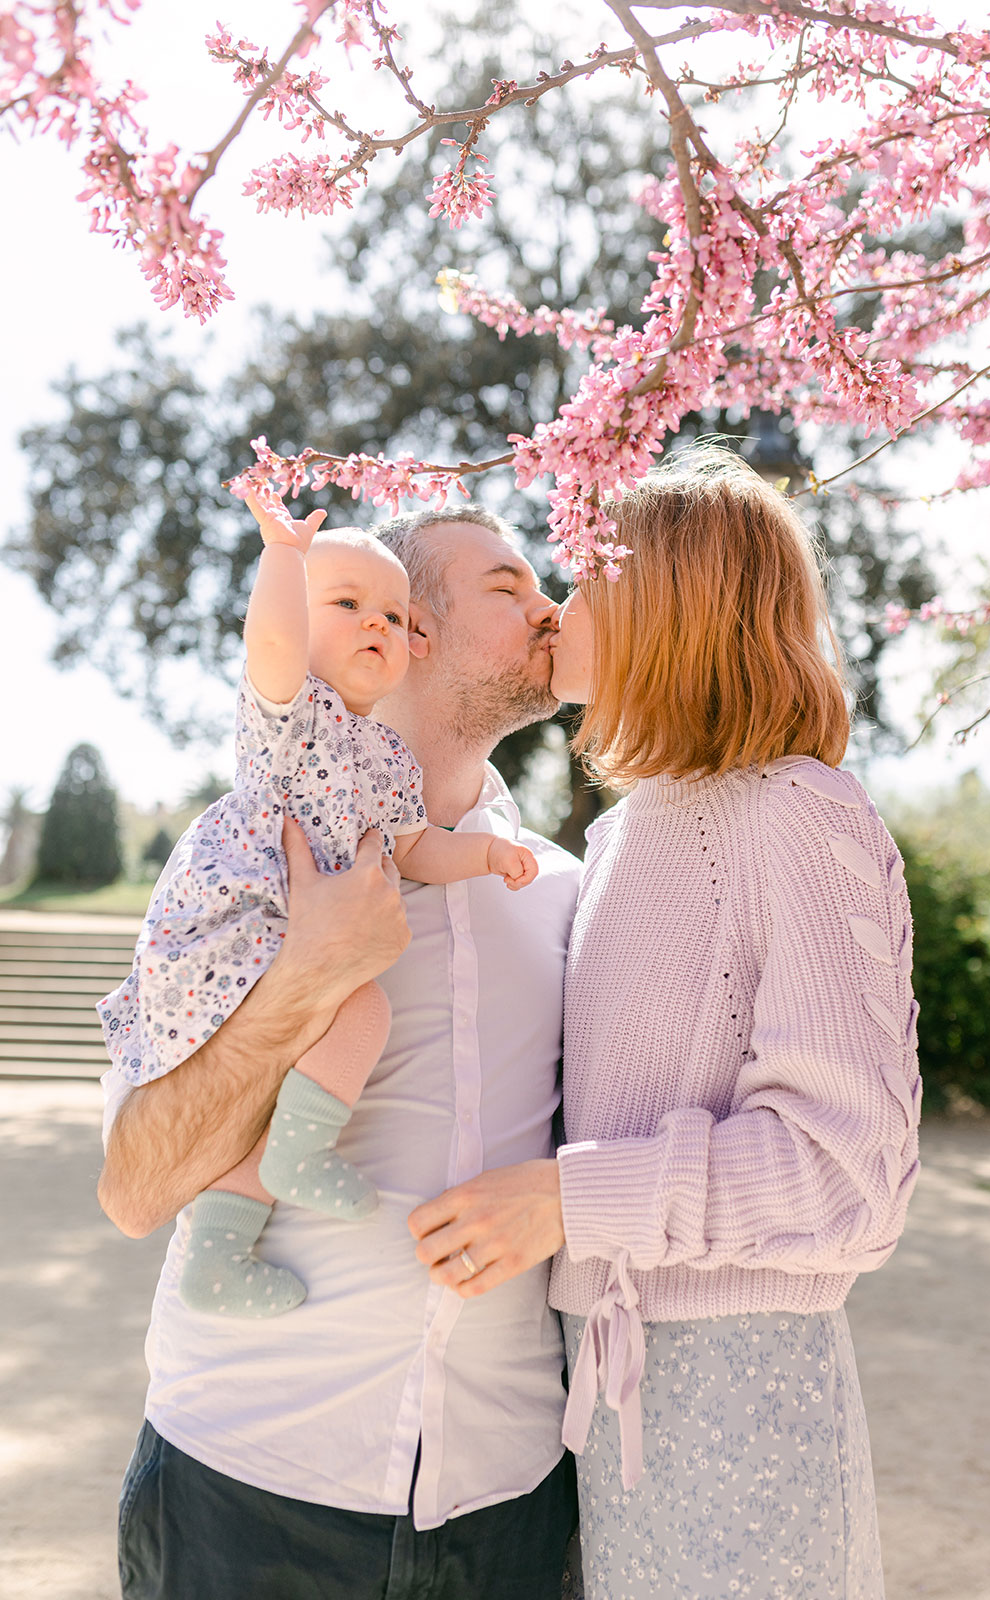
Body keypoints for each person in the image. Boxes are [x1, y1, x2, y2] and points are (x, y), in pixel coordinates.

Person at [409, 452, 922, 1600]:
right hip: (597, 1418)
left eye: (587, 578)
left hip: (744, 1398)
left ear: (669, 603)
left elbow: (852, 1175)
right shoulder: (626, 832)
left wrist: (562, 1198)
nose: (556, 602)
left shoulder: (800, 810)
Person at [97, 506, 581, 1600]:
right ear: (412, 629)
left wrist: (565, 1195)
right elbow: (133, 1189)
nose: (548, 605)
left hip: (505, 1502)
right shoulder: (243, 871)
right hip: (245, 1490)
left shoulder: (561, 891)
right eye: (507, 585)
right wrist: (311, 968)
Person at [99, 493, 537, 1319]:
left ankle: (226, 1246)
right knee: (326, 1025)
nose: (375, 624)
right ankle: (296, 1157)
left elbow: (413, 849)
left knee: (331, 1040)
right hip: (234, 929)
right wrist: (279, 555)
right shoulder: (291, 712)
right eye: (346, 605)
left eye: (392, 613)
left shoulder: (387, 765)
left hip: (300, 936)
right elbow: (269, 636)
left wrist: (485, 854)